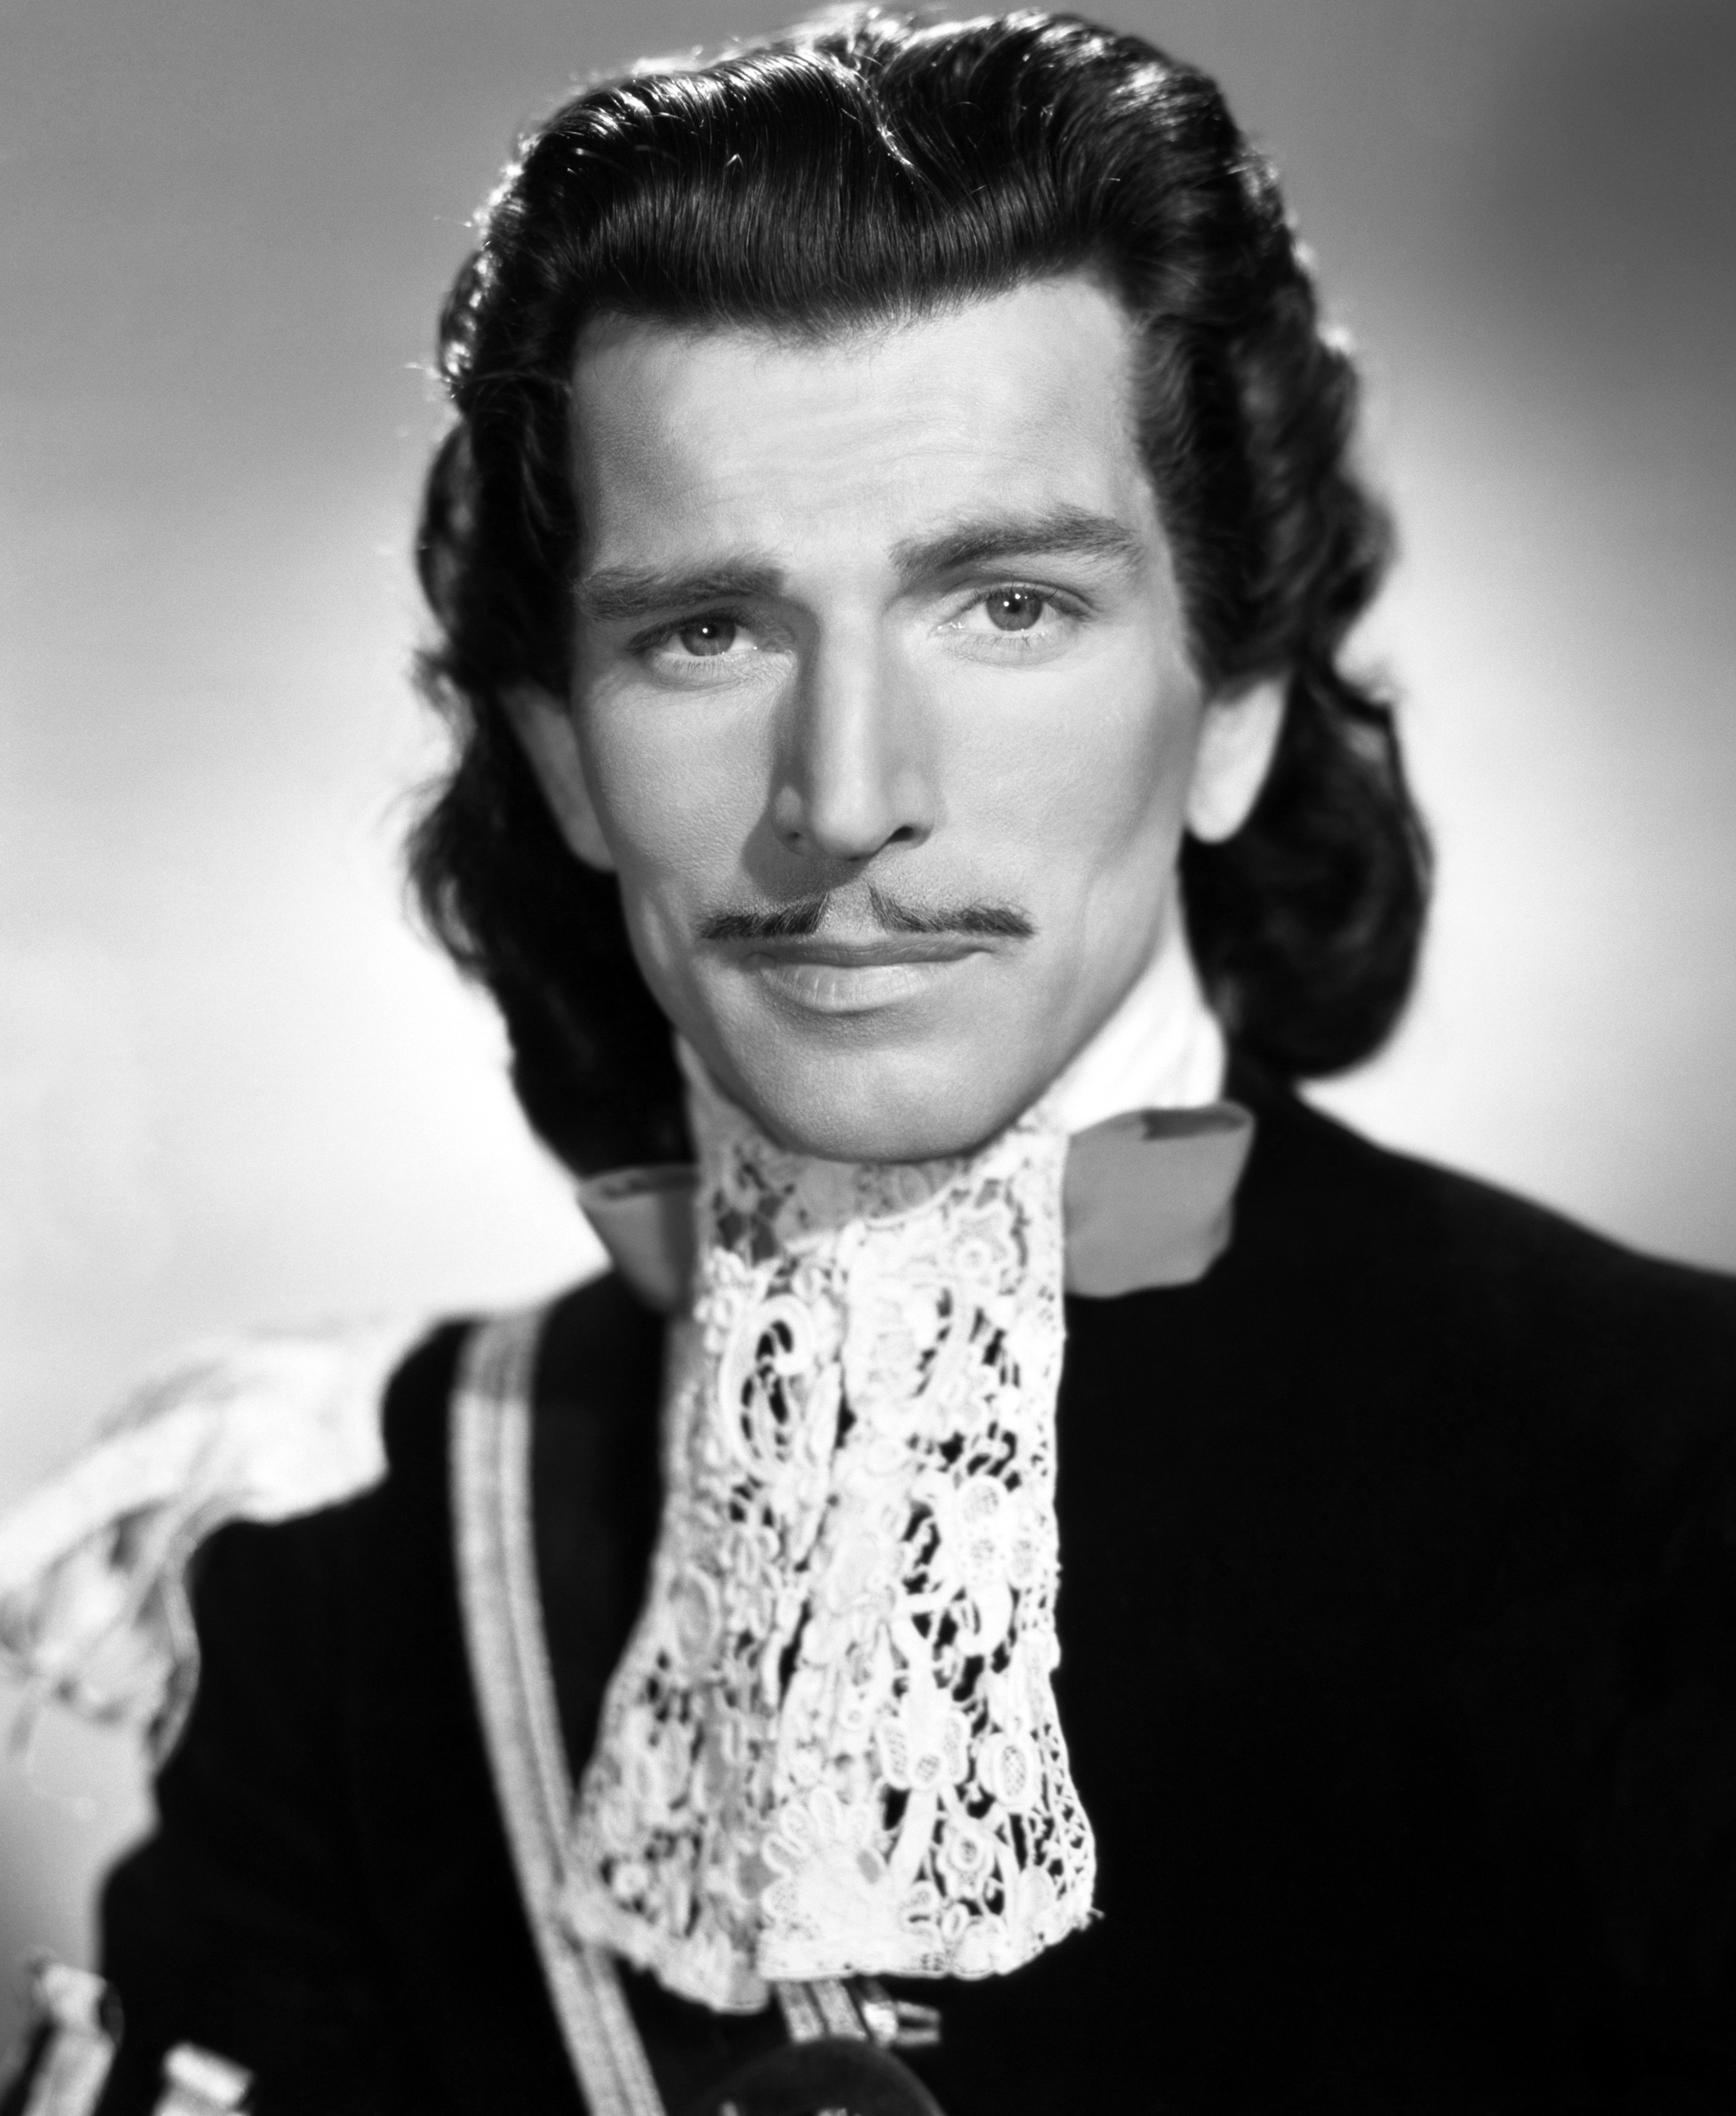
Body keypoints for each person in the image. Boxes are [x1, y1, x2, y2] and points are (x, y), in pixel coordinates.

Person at [3, 8, 1735, 2113]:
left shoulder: (1678, 1469)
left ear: (1237, 703)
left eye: (1005, 605)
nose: (844, 795)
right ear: (563, 754)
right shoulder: (348, 1559)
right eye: (705, 632)